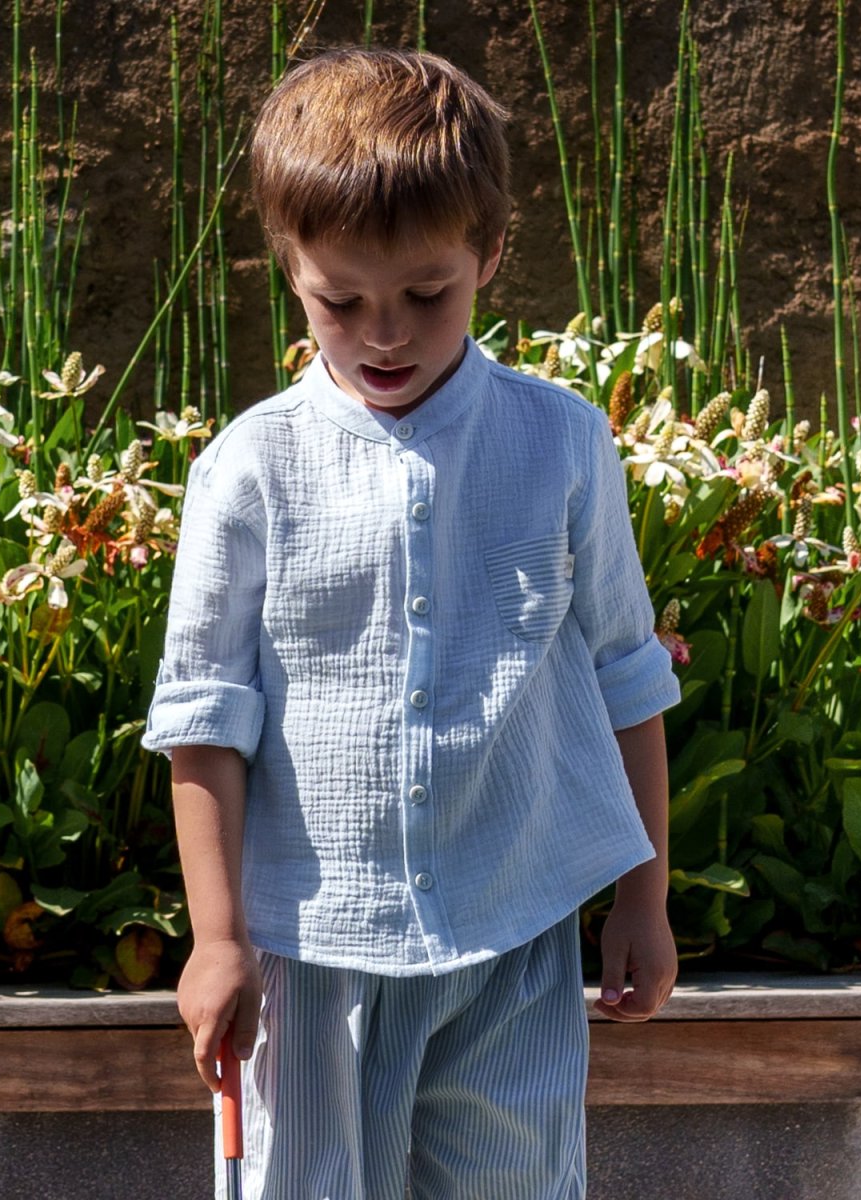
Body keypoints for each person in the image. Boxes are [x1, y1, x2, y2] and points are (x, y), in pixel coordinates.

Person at [142, 46, 681, 1200]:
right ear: (289, 268)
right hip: (308, 952)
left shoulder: (564, 442)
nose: (383, 333)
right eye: (339, 302)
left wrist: (644, 896)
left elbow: (624, 675)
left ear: (490, 254)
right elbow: (206, 719)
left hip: (516, 938)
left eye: (427, 296)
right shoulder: (249, 468)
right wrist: (218, 939)